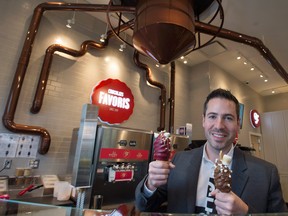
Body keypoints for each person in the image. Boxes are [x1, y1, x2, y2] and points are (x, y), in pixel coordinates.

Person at [135, 88, 287, 214]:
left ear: (238, 123)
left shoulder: (266, 174)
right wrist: (150, 184)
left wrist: (245, 213)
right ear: (203, 120)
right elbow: (144, 206)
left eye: (228, 118)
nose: (219, 125)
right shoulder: (178, 162)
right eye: (212, 116)